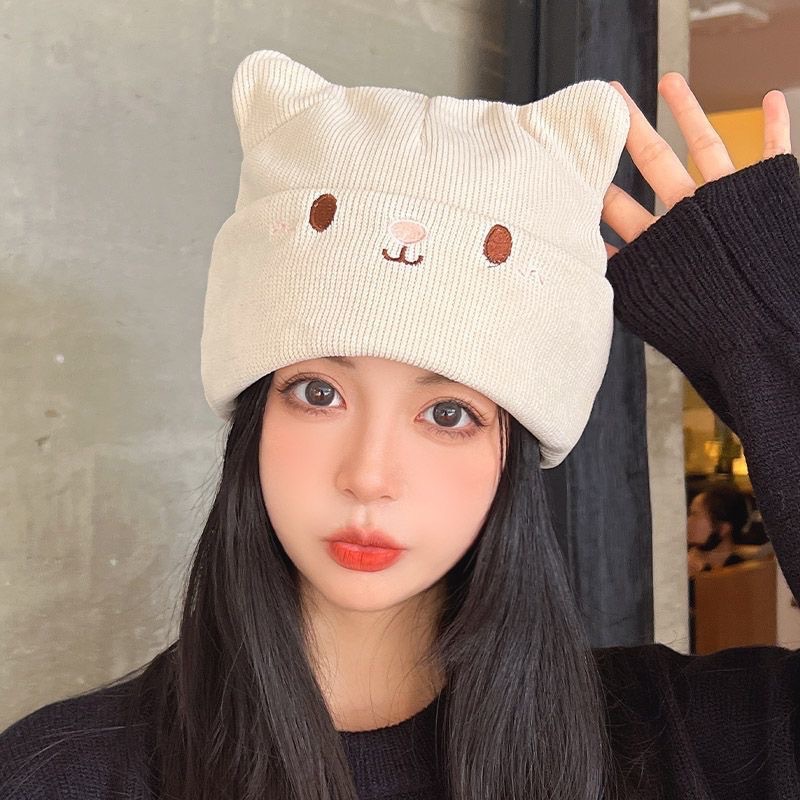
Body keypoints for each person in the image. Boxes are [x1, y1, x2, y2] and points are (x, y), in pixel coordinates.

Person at [0, 48, 798, 800]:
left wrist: (771, 336)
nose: (369, 475)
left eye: (448, 413)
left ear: (515, 451)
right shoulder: (66, 776)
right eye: (318, 393)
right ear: (254, 416)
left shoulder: (677, 745)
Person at [687, 483, 750, 576]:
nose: (688, 522)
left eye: (695, 515)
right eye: (689, 514)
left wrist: (700, 575)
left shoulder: (741, 572)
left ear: (723, 528)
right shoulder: (679, 559)